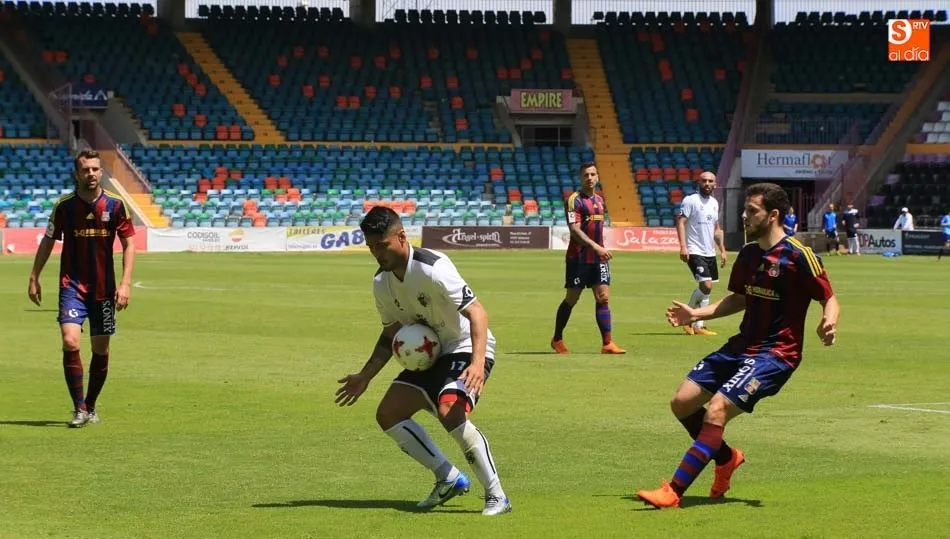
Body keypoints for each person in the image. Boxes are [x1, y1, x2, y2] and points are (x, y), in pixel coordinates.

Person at [636, 182, 839, 509]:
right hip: (742, 346)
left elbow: (829, 297)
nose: (744, 216)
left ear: (773, 215)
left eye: (752, 211)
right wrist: (695, 314)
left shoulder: (800, 256)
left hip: (777, 354)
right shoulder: (748, 254)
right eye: (745, 210)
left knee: (716, 409)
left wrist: (829, 320)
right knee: (682, 403)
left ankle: (673, 491)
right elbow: (739, 299)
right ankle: (727, 458)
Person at [335, 206, 512, 516]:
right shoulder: (381, 282)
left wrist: (477, 361)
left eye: (382, 244)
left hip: (463, 347)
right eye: (371, 246)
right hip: (427, 355)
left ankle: (496, 495)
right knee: (389, 413)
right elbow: (391, 332)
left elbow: (477, 312)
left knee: (450, 410)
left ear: (401, 237)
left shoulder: (433, 268)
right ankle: (448, 477)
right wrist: (365, 376)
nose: (377, 253)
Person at [27, 149, 137, 428]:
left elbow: (129, 243)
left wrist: (125, 283)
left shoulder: (115, 205)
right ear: (77, 173)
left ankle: (90, 405)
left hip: (104, 289)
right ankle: (78, 409)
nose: (91, 174)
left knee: (101, 350)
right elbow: (49, 240)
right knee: (70, 341)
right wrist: (34, 276)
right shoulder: (65, 207)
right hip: (72, 286)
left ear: (101, 172)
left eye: (95, 169)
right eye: (85, 169)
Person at [550, 161, 626, 354]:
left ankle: (607, 343)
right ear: (580, 177)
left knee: (603, 298)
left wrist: (599, 249)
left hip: (598, 259)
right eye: (586, 175)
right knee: (571, 299)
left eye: (593, 174)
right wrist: (596, 247)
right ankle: (557, 338)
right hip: (578, 258)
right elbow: (574, 230)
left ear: (597, 177)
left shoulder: (600, 201)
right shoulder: (574, 200)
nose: (589, 178)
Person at [674, 171, 727, 336]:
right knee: (706, 285)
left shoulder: (714, 203)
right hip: (694, 249)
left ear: (715, 184)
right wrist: (683, 246)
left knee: (706, 289)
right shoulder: (691, 200)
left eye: (710, 181)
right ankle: (688, 319)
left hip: (709, 251)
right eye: (704, 180)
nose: (707, 183)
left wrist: (722, 250)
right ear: (699, 182)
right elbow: (681, 222)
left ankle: (699, 327)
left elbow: (716, 228)